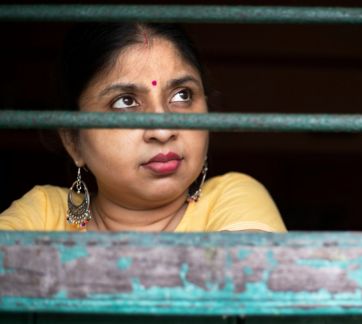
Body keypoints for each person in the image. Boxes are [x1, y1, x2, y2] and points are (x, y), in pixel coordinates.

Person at [0, 23, 286, 232]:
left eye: (182, 95)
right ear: (73, 140)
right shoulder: (44, 213)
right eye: (125, 101)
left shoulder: (233, 198)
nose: (162, 132)